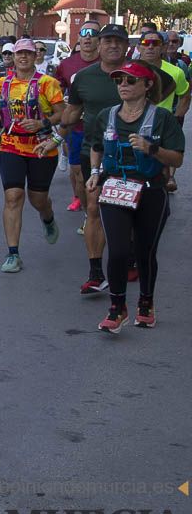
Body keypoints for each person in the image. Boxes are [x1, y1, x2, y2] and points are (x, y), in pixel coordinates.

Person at [86, 61, 184, 332]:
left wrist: (151, 149)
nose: (123, 86)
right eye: (119, 81)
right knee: (117, 251)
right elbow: (96, 146)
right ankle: (117, 309)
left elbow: (177, 157)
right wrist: (95, 172)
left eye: (131, 81)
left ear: (147, 85)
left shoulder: (162, 118)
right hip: (115, 188)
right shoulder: (107, 115)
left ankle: (146, 302)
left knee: (144, 251)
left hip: (151, 190)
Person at [59, 24, 131, 294]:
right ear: (99, 45)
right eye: (107, 41)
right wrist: (54, 129)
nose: (112, 46)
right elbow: (72, 112)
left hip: (132, 155)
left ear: (126, 46)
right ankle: (95, 272)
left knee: (128, 212)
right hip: (95, 152)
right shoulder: (83, 78)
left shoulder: (138, 75)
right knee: (93, 209)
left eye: (118, 41)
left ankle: (129, 258)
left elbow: (154, 106)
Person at [0, 38, 64, 273]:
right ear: (13, 57)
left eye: (28, 54)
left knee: (37, 199)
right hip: (11, 145)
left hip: (41, 147)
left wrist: (42, 122)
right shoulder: (4, 82)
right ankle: (13, 253)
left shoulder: (48, 83)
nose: (23, 57)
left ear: (35, 57)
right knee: (13, 196)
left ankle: (47, 216)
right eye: (18, 53)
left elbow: (62, 114)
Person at [54, 21, 101, 215]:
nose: (88, 37)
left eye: (93, 33)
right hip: (76, 128)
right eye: (84, 33)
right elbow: (56, 91)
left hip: (102, 129)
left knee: (101, 175)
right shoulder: (67, 64)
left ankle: (99, 213)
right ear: (79, 37)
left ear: (99, 39)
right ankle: (87, 213)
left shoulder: (107, 63)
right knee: (79, 174)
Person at [136, 23, 189, 192]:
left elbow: (185, 96)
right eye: (146, 44)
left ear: (163, 48)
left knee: (160, 173)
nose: (150, 47)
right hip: (132, 125)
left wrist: (176, 118)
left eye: (156, 44)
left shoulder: (176, 72)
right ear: (139, 47)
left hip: (161, 128)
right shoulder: (128, 69)